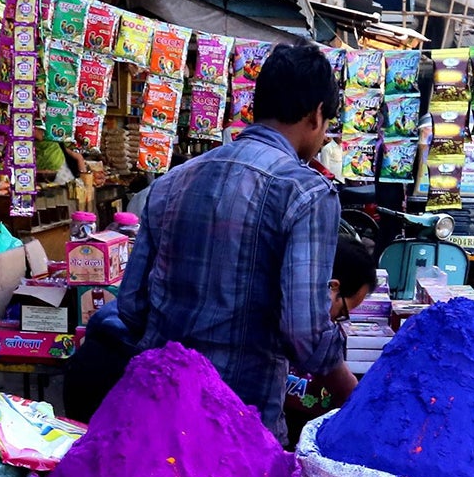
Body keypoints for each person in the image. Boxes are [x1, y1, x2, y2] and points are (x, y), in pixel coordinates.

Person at [115, 40, 354, 438]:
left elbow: (131, 306)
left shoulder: (171, 182)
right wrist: (353, 392)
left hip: (152, 420)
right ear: (316, 115)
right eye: (327, 123)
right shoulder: (305, 192)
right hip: (237, 428)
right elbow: (304, 333)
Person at [285, 222, 383, 446]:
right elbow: (348, 392)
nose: (337, 321)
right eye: (343, 311)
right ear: (333, 288)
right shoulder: (315, 335)